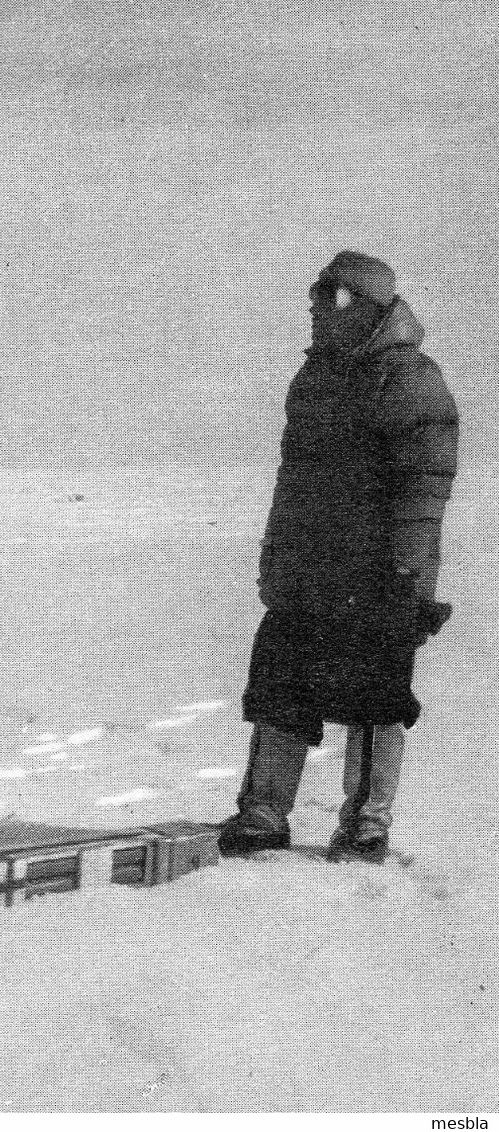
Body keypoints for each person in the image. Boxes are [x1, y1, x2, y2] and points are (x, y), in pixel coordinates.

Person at [219, 250, 459, 864]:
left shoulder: (410, 381)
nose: (315, 311)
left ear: (362, 308)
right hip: (309, 568)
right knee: (279, 682)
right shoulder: (315, 379)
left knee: (375, 695)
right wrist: (276, 554)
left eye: (329, 300)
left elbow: (423, 488)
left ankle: (366, 823)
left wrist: (410, 578)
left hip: (378, 572)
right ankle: (263, 813)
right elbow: (292, 478)